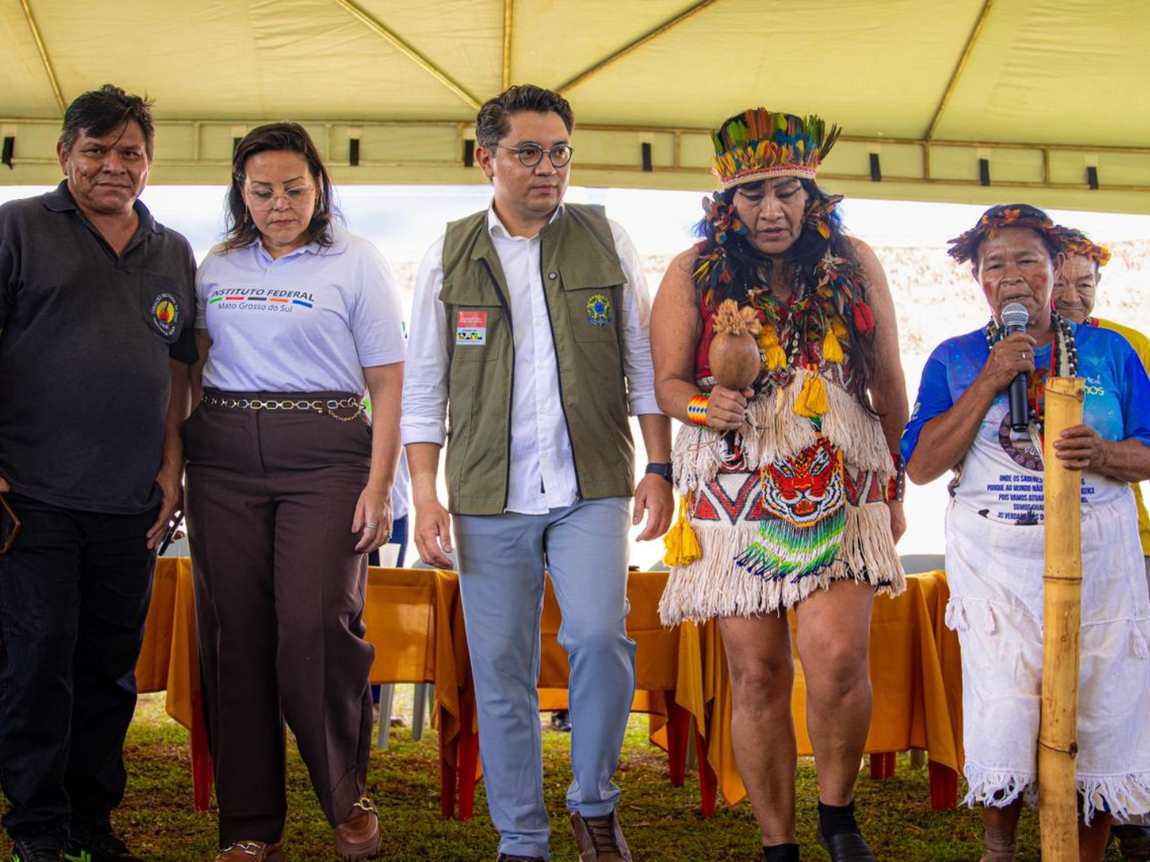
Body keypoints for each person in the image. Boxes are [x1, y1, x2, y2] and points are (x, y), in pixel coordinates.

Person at [402, 84, 673, 862]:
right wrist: (426, 495)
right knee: (502, 671)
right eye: (528, 152)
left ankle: (594, 802)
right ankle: (522, 837)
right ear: (486, 159)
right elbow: (423, 388)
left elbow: (642, 366)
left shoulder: (605, 237)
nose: (547, 168)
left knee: (598, 636)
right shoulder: (447, 254)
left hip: (592, 483)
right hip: (488, 496)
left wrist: (659, 465)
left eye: (559, 152)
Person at [651, 108, 907, 862]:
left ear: (813, 194)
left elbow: (886, 374)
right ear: (726, 202)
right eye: (754, 194)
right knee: (756, 671)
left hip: (839, 465)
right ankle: (778, 844)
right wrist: (707, 404)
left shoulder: (853, 259)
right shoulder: (690, 270)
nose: (772, 210)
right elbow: (666, 384)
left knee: (835, 660)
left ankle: (837, 814)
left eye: (789, 192)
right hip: (730, 482)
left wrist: (894, 484)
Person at [183, 122, 405, 862]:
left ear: (320, 187)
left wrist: (381, 483)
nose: (280, 203)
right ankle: (249, 828)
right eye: (263, 191)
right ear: (241, 194)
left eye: (295, 188)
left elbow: (387, 380)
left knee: (316, 626)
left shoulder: (356, 262)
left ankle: (346, 799)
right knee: (233, 635)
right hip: (220, 455)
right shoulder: (216, 264)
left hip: (327, 454)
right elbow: (191, 369)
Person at [902, 204, 1150, 862]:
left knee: (1099, 708)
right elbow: (923, 465)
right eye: (995, 266)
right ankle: (1000, 850)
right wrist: (991, 380)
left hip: (1098, 559)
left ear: (1053, 269)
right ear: (978, 280)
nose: (1012, 278)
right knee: (1004, 708)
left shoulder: (1110, 352)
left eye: (1027, 262)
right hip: (998, 564)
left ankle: (1083, 852)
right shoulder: (956, 359)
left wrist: (1103, 455)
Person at [0, 85, 195, 862]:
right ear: (65, 154)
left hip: (131, 503)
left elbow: (181, 371)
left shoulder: (172, 249)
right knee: (37, 660)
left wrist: (173, 468)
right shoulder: (16, 228)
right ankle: (37, 826)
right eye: (97, 151)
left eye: (130, 154)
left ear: (148, 163)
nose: (114, 167)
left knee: (111, 668)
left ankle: (92, 818)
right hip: (32, 498)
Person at [1051, 230, 1150, 862]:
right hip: (1034, 546)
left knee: (1127, 686)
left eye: (1086, 283)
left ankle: (1135, 817)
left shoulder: (1125, 347)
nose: (1074, 295)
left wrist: (1107, 455)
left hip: (1124, 544)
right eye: (1061, 282)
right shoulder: (1005, 350)